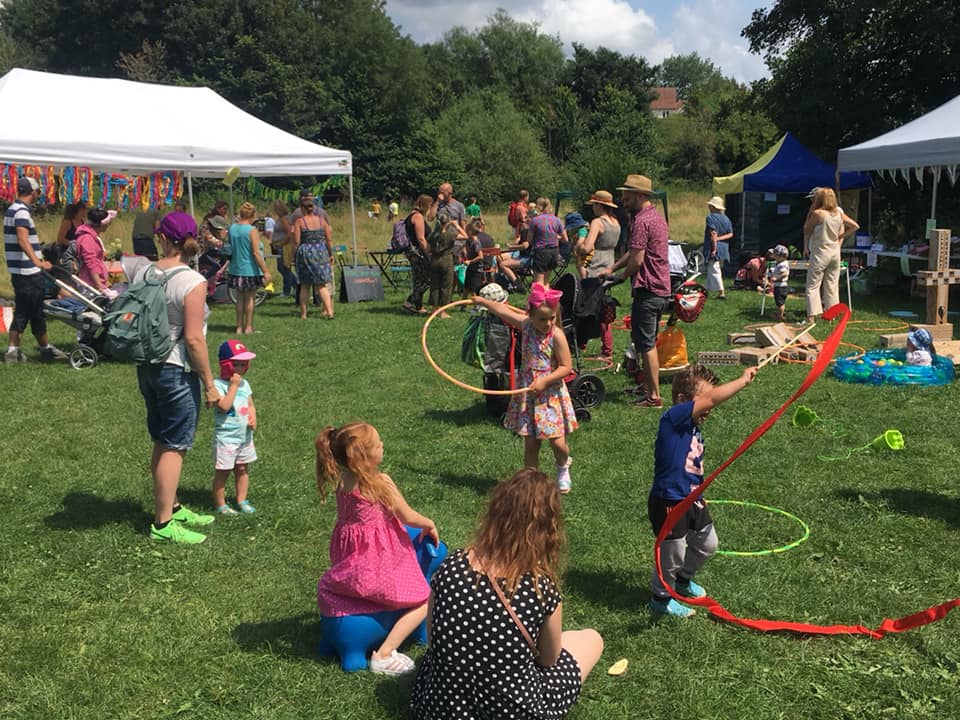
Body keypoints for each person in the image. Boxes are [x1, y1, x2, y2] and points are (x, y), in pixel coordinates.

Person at [411, 467, 603, 719]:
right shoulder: (539, 585)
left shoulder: (452, 565)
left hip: (441, 707)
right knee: (590, 638)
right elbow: (548, 659)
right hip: (511, 710)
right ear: (548, 528)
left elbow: (434, 641)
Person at [315, 422, 439, 675]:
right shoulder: (380, 483)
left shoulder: (342, 481)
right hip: (378, 564)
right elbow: (407, 516)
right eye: (378, 443)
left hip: (351, 565)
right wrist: (429, 523)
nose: (383, 445)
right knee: (426, 598)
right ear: (365, 457)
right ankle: (384, 653)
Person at [135, 212, 222, 544]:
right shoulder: (192, 281)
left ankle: (172, 505)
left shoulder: (146, 272)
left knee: (161, 439)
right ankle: (163, 524)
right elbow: (194, 339)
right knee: (175, 445)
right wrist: (210, 385)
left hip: (148, 365)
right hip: (176, 369)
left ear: (162, 238)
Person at [648, 363, 757, 617]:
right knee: (671, 554)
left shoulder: (692, 427)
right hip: (669, 501)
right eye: (705, 402)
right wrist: (741, 381)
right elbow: (710, 399)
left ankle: (683, 581)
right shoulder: (673, 419)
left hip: (693, 499)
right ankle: (660, 599)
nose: (710, 408)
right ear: (682, 400)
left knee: (708, 544)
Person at [473, 283, 578, 492]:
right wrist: (482, 301)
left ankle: (563, 465)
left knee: (557, 442)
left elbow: (567, 366)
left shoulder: (556, 335)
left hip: (549, 394)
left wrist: (544, 381)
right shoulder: (526, 326)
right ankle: (531, 482)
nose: (548, 323)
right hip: (528, 393)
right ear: (529, 315)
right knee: (531, 443)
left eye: (552, 318)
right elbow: (502, 310)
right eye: (543, 319)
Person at [600, 175, 672, 408]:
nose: (622, 198)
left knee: (646, 344)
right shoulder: (656, 218)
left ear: (640, 195)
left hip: (648, 289)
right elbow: (634, 252)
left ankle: (654, 397)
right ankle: (646, 388)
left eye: (626, 194)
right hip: (661, 288)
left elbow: (637, 260)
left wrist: (620, 277)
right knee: (645, 340)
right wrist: (613, 266)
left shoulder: (641, 221)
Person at [3, 177, 68, 364]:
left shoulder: (11, 209)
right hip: (27, 271)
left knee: (33, 310)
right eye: (38, 191)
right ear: (32, 192)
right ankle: (16, 351)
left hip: (20, 270)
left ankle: (42, 348)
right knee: (27, 311)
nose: (38, 195)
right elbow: (22, 239)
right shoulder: (22, 212)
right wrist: (38, 262)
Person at [211, 339, 259, 515]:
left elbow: (250, 403)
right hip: (226, 438)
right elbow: (223, 406)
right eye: (236, 364)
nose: (240, 369)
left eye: (243, 364)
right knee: (223, 472)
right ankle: (220, 504)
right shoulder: (218, 385)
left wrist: (253, 417)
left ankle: (242, 499)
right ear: (226, 365)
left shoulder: (245, 384)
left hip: (244, 436)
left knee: (242, 468)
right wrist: (233, 386)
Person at [803, 187, 859, 322]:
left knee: (813, 285)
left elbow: (806, 229)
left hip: (820, 253)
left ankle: (811, 316)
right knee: (832, 285)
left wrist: (811, 211)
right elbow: (855, 226)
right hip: (835, 253)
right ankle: (831, 314)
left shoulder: (818, 213)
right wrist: (840, 236)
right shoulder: (839, 213)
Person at [581, 190, 621, 359]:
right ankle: (606, 347)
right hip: (610, 264)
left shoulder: (597, 222)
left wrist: (578, 246)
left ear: (599, 205)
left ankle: (582, 343)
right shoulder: (616, 222)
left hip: (595, 267)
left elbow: (587, 247)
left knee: (586, 308)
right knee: (604, 309)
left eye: (594, 205)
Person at [227, 202, 272, 334]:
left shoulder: (232, 228)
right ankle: (248, 327)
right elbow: (257, 253)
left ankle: (239, 327)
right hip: (250, 270)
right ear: (252, 215)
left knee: (239, 299)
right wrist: (265, 271)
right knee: (250, 299)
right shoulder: (252, 230)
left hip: (235, 268)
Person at [293, 194, 335, 320]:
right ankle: (329, 312)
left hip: (306, 251)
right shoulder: (323, 221)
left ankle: (304, 314)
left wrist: (293, 256)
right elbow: (329, 239)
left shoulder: (300, 221)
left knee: (305, 285)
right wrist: (331, 254)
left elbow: (296, 241)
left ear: (302, 209)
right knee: (322, 285)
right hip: (321, 252)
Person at [429, 210, 466, 317]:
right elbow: (465, 236)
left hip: (434, 260)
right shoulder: (450, 234)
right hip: (446, 260)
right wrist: (456, 225)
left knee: (435, 285)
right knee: (446, 285)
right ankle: (442, 311)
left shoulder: (433, 234)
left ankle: (434, 308)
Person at [74, 208, 118, 295]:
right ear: (102, 224)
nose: (109, 225)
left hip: (96, 282)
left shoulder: (91, 237)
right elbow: (91, 263)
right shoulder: (87, 239)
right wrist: (99, 285)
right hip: (90, 285)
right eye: (109, 223)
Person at [402, 194, 433, 314]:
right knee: (426, 278)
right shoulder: (418, 217)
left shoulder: (411, 215)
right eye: (430, 206)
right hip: (418, 252)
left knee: (419, 278)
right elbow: (421, 238)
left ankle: (417, 306)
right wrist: (428, 253)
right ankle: (411, 302)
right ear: (425, 206)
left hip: (412, 251)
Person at [528, 198, 567, 286]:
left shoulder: (535, 220)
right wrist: (556, 237)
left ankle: (540, 300)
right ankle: (548, 299)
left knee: (539, 282)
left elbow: (529, 240)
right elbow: (565, 239)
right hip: (554, 252)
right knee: (546, 281)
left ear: (538, 207)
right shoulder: (557, 220)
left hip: (541, 252)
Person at [704, 196, 733, 300]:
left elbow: (713, 234)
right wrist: (720, 238)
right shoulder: (727, 219)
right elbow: (730, 234)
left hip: (714, 247)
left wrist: (714, 247)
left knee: (715, 269)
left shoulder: (710, 218)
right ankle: (705, 290)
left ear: (712, 207)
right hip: (724, 248)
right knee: (713, 268)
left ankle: (721, 292)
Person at [267, 199, 297, 297]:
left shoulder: (284, 219)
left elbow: (289, 233)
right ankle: (295, 285)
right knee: (281, 268)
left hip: (284, 247)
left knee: (284, 268)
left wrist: (281, 243)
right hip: (278, 246)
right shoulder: (280, 219)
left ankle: (287, 290)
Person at [762, 244, 791, 321]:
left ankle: (780, 316)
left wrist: (776, 278)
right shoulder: (780, 263)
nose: (773, 255)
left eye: (774, 254)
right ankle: (780, 314)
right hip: (780, 286)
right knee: (780, 302)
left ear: (780, 256)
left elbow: (784, 273)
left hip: (781, 286)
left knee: (780, 303)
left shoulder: (782, 264)